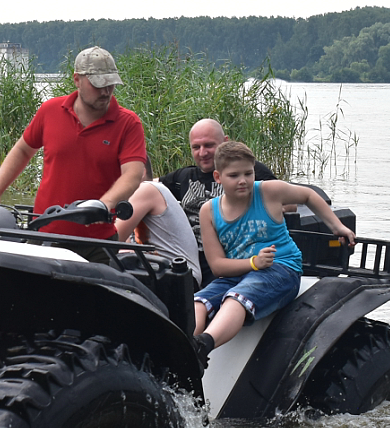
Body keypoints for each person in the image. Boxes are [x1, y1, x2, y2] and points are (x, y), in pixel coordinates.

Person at [192, 141, 354, 365]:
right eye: (234, 175)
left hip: (281, 268)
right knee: (199, 302)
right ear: (218, 177)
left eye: (248, 173)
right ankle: (185, 346)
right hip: (239, 271)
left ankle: (203, 346)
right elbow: (218, 266)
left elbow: (308, 195)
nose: (243, 180)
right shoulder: (209, 211)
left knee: (235, 299)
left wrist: (338, 227)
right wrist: (253, 263)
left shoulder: (268, 191)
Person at [0, 46, 147, 260]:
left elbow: (133, 174)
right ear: (77, 80)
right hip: (44, 234)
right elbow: (23, 149)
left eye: (110, 84)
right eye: (98, 84)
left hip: (97, 243)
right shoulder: (50, 111)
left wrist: (104, 204)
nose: (106, 92)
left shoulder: (128, 123)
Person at [159, 118, 277, 239]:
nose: (202, 153)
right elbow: (151, 186)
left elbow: (284, 204)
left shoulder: (249, 170)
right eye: (196, 147)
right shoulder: (184, 176)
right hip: (191, 246)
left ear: (225, 142)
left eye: (209, 145)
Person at [114, 165, 201, 286]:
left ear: (140, 172)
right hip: (161, 275)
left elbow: (113, 238)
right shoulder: (138, 201)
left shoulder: (148, 189)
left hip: (177, 278)